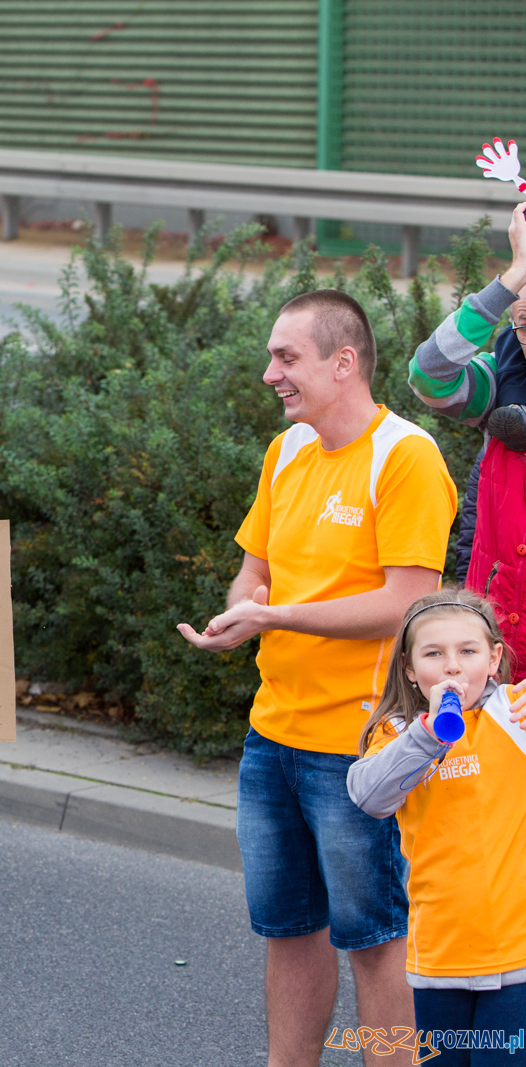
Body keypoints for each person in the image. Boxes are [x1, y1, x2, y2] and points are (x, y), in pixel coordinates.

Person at [177, 289, 456, 1067]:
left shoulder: (406, 455)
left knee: (375, 943)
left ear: (344, 363)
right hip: (272, 736)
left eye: (286, 357)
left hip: (362, 749)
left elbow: (408, 603)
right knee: (288, 931)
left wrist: (276, 617)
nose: (271, 372)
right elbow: (253, 575)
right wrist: (240, 614)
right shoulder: (288, 449)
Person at [348, 590, 526, 1066]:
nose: (452, 667)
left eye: (467, 652)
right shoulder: (399, 732)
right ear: (409, 668)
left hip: (518, 957)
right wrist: (425, 736)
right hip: (438, 962)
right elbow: (369, 796)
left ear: (493, 659)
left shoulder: (512, 714)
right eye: (434, 654)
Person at [407, 201, 526, 675]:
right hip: (499, 649)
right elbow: (430, 373)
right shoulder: (503, 376)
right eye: (520, 323)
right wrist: (510, 278)